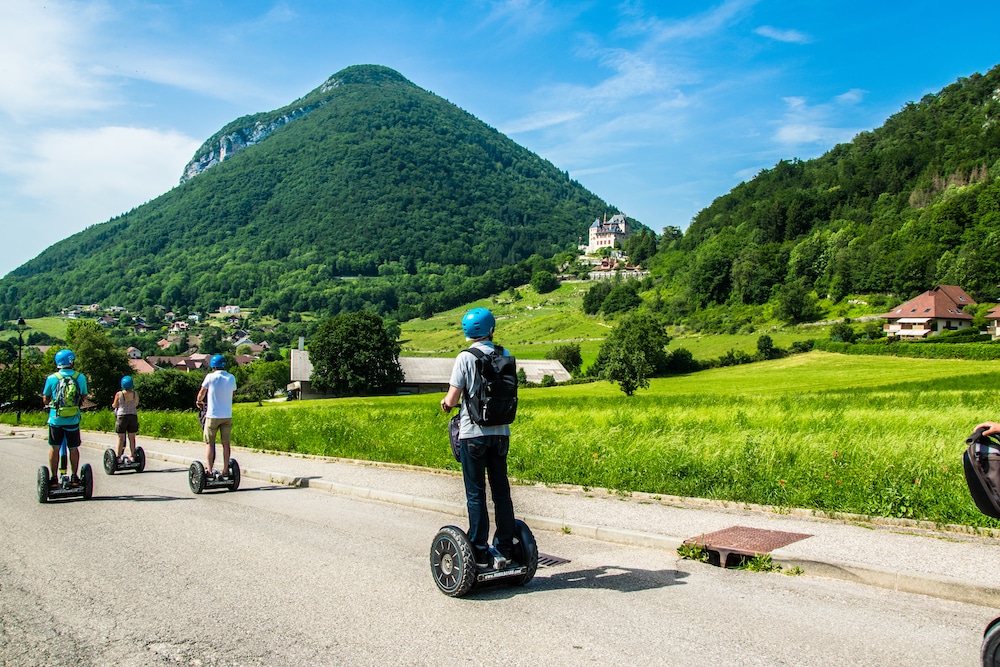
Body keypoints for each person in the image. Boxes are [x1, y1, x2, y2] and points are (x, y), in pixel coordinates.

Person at [440, 307, 516, 568]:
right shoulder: (505, 354)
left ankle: (480, 550)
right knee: (501, 492)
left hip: (473, 435)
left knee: (476, 494)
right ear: (491, 329)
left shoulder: (465, 358)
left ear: (467, 332)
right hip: (501, 433)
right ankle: (505, 547)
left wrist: (446, 404)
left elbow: (451, 398)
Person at [41, 349, 89, 487]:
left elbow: (46, 399)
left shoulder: (52, 378)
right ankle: (74, 477)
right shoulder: (80, 377)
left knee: (54, 447)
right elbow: (84, 396)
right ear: (71, 361)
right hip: (73, 419)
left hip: (55, 419)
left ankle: (54, 479)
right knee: (73, 448)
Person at [196, 354, 237, 478]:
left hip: (212, 415)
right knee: (226, 444)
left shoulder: (210, 377)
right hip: (226, 415)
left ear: (213, 366)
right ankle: (225, 470)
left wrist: (199, 401)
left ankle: (209, 470)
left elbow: (202, 393)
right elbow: (233, 395)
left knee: (210, 443)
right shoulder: (231, 377)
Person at [112, 375, 139, 463]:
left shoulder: (119, 394)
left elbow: (115, 405)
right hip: (133, 416)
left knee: (121, 437)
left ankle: (118, 457)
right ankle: (132, 456)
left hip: (122, 416)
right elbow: (136, 404)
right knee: (132, 437)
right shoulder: (135, 394)